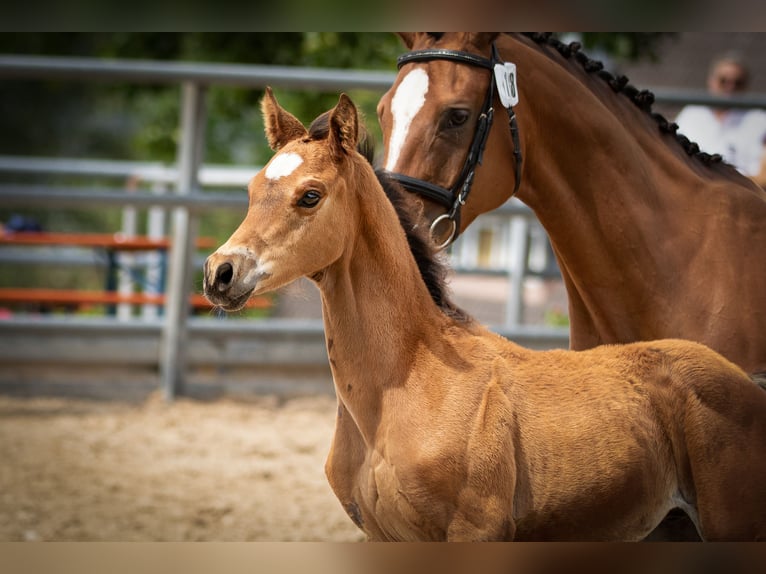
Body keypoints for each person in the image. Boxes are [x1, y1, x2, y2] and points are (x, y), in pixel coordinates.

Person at [675, 51, 766, 187]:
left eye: (737, 83)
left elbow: (763, 178)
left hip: (743, 196)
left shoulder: (760, 120)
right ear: (711, 81)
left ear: (746, 85)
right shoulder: (691, 114)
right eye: (724, 81)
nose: (730, 87)